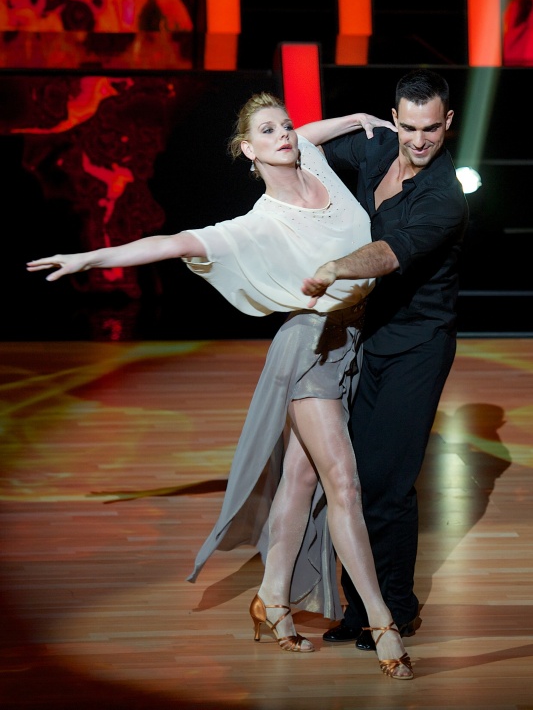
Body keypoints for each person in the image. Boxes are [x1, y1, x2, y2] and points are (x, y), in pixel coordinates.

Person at [27, 92, 413, 679]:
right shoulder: (257, 223)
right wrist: (89, 258)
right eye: (268, 131)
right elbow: (175, 243)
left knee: (301, 477)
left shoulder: (312, 158)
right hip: (309, 348)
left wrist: (352, 119)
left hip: (355, 338)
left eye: (286, 125)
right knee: (343, 480)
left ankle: (272, 599)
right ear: (246, 150)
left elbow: (311, 132)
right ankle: (383, 623)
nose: (284, 135)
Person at [298, 68, 470, 651]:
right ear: (393, 119)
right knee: (349, 477)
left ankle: (396, 609)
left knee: (386, 482)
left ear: (447, 123)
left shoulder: (444, 196)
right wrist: (351, 120)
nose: (419, 141)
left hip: (419, 345)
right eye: (409, 127)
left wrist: (334, 268)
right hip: (368, 338)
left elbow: (390, 253)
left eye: (431, 129)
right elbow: (297, 146)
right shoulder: (376, 148)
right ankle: (360, 608)